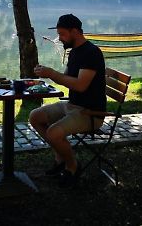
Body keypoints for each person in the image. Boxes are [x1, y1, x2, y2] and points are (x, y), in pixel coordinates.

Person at [30, 14, 106, 188]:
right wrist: (46, 74)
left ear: (75, 32)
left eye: (62, 34)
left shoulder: (91, 53)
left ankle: (72, 165)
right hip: (72, 105)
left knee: (54, 133)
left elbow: (80, 85)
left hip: (90, 112)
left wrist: (52, 74)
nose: (60, 38)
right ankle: (61, 159)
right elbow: (66, 78)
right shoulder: (74, 52)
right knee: (35, 117)